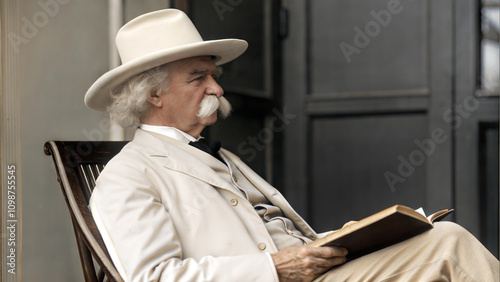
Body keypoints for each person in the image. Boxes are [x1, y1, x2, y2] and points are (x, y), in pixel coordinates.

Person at [85, 9, 499, 282]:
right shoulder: (127, 176)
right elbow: (152, 276)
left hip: (316, 271)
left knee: (433, 234)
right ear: (154, 95)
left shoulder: (218, 155)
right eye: (198, 77)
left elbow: (277, 236)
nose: (217, 86)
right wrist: (273, 269)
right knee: (449, 242)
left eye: (214, 74)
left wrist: (356, 236)